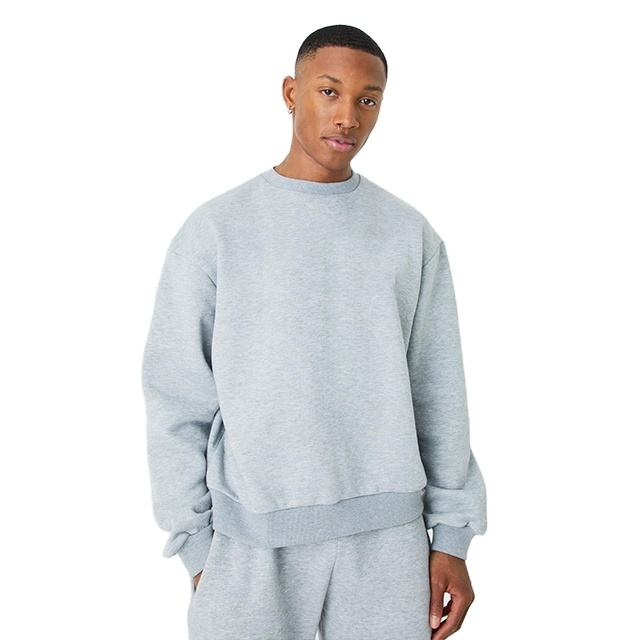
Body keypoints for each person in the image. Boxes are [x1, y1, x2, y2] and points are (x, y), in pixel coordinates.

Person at [141, 24, 487, 640]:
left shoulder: (409, 235)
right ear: (290, 92)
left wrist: (452, 538)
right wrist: (195, 544)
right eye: (329, 91)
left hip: (389, 544)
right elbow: (177, 396)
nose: (348, 115)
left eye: (367, 99)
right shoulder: (217, 230)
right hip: (249, 544)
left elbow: (439, 394)